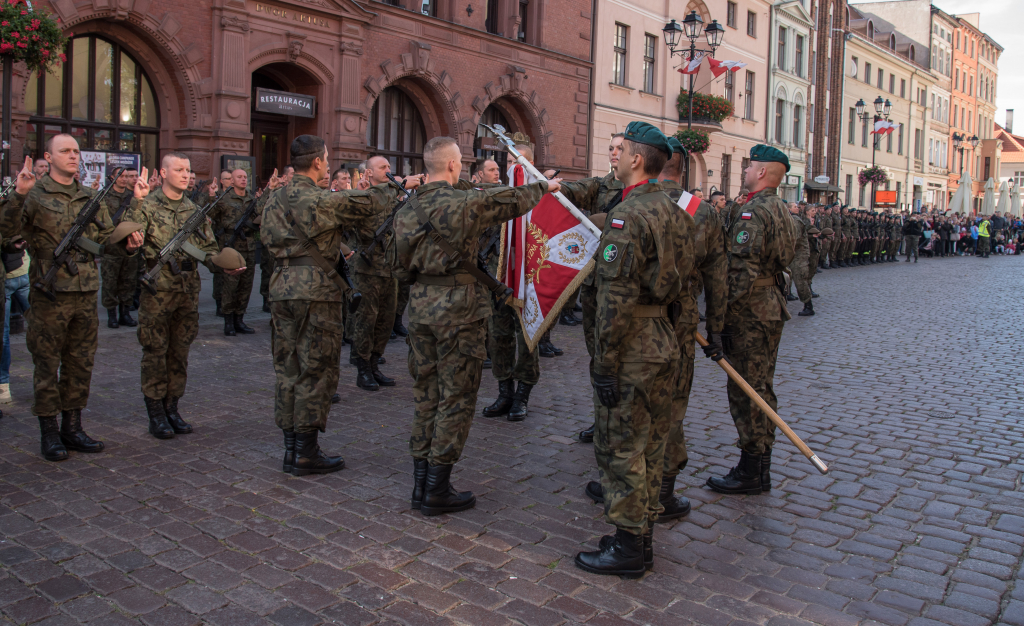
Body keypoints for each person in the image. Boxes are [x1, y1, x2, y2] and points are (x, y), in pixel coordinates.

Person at [392, 136, 558, 516]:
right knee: (456, 397)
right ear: (453, 165)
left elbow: (397, 268)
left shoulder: (406, 210)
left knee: (425, 395)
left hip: (420, 309)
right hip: (459, 311)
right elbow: (510, 200)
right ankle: (437, 489)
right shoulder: (464, 202)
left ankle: (421, 485)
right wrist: (544, 186)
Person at [570, 122, 691, 578]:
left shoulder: (627, 216)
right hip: (663, 337)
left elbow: (614, 299)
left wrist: (603, 361)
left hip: (633, 344)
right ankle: (641, 540)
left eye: (621, 151)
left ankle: (627, 547)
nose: (615, 157)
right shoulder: (677, 210)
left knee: (621, 446)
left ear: (636, 160)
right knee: (652, 445)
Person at [262, 135, 400, 475]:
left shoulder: (273, 199)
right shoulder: (323, 199)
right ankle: (306, 452)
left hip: (281, 287)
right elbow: (371, 204)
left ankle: (290, 450)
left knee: (287, 368)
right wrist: (400, 183)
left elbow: (265, 239)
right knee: (316, 369)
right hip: (316, 292)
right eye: (326, 158)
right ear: (320, 162)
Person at [0, 139, 145, 461]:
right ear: (48, 157)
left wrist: (128, 241)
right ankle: (49, 432)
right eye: (64, 151)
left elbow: (108, 238)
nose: (72, 156)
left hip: (85, 291)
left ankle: (73, 427)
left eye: (76, 151)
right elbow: (7, 232)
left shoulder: (89, 196)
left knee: (80, 362)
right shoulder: (35, 194)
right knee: (47, 363)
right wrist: (19, 194)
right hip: (49, 293)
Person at [126, 154, 249, 439]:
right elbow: (129, 239)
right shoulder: (147, 204)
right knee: (155, 352)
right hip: (158, 291)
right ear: (163, 172)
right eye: (179, 169)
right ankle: (155, 413)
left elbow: (209, 247)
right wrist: (137, 201)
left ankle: (172, 407)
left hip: (187, 290)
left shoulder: (194, 209)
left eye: (188, 170)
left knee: (180, 352)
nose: (185, 174)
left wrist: (222, 265)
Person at [706, 144, 795, 496]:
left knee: (746, 390)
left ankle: (752, 468)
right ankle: (759, 467)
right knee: (761, 385)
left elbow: (740, 272)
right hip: (769, 305)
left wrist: (720, 318)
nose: (744, 171)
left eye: (748, 166)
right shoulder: (781, 209)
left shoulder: (752, 214)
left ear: (761, 173)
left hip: (750, 312)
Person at [347, 156, 422, 390]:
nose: (389, 170)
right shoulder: (364, 196)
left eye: (390, 166)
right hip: (366, 270)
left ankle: (374, 363)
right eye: (383, 167)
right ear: (368, 173)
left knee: (385, 320)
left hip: (389, 269)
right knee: (365, 321)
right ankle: (362, 369)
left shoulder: (393, 197)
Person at [209, 169, 268, 335]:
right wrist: (211, 197)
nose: (243, 179)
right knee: (230, 285)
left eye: (245, 177)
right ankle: (228, 321)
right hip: (231, 246)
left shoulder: (251, 198)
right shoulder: (224, 198)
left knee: (246, 285)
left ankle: (239, 319)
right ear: (232, 181)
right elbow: (210, 214)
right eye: (239, 177)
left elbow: (260, 210)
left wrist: (269, 189)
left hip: (248, 246)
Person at [100, 168, 140, 329]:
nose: (124, 179)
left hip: (128, 246)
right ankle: (112, 315)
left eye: (126, 176)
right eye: (120, 176)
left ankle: (125, 313)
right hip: (111, 246)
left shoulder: (131, 197)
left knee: (128, 281)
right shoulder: (105, 196)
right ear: (112, 178)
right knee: (110, 282)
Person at [0, 243, 29, 403]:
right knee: (42, 328)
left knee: (2, 335)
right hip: (23, 270)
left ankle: (3, 385)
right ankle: (52, 378)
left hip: (7, 277)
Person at [788, 203, 813, 316]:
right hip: (791, 255)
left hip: (798, 256)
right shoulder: (789, 219)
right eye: (795, 206)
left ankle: (808, 306)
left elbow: (795, 238)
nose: (797, 208)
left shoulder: (795, 220)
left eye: (797, 206)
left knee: (800, 281)